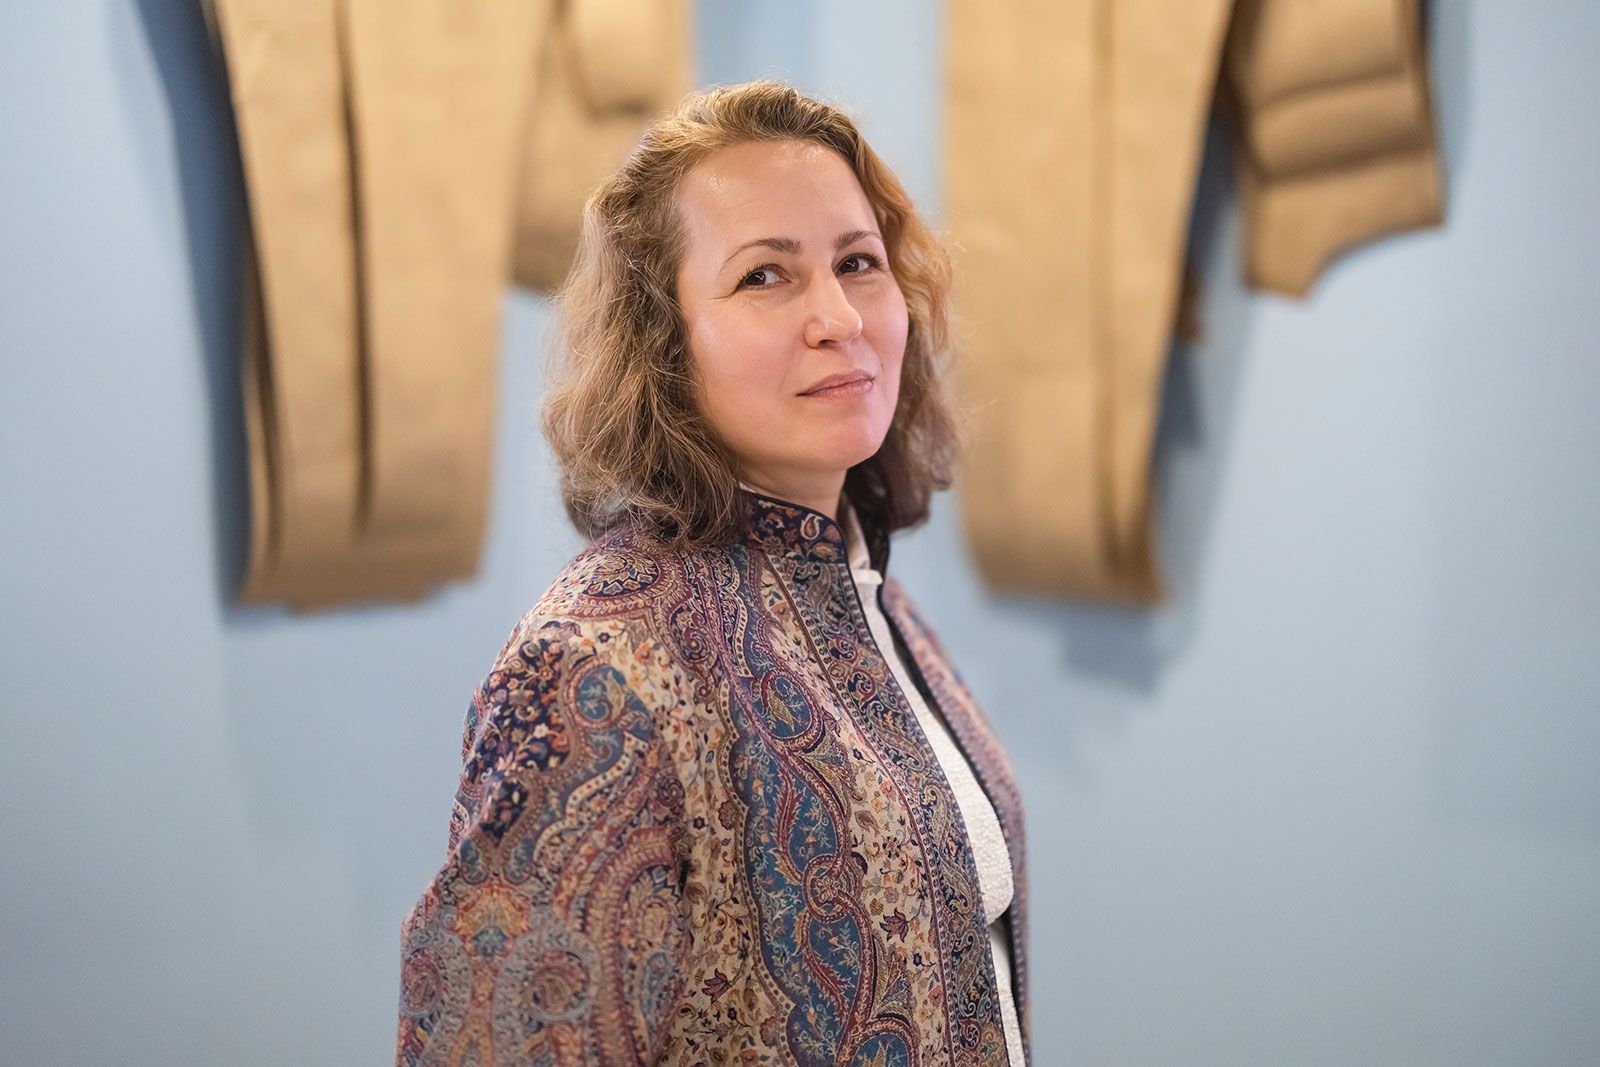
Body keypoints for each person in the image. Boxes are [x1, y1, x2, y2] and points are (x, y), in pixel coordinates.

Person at [396, 79, 1030, 1066]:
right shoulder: (595, 670)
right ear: (664, 343)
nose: (838, 315)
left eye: (857, 262)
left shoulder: (869, 592)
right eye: (764, 276)